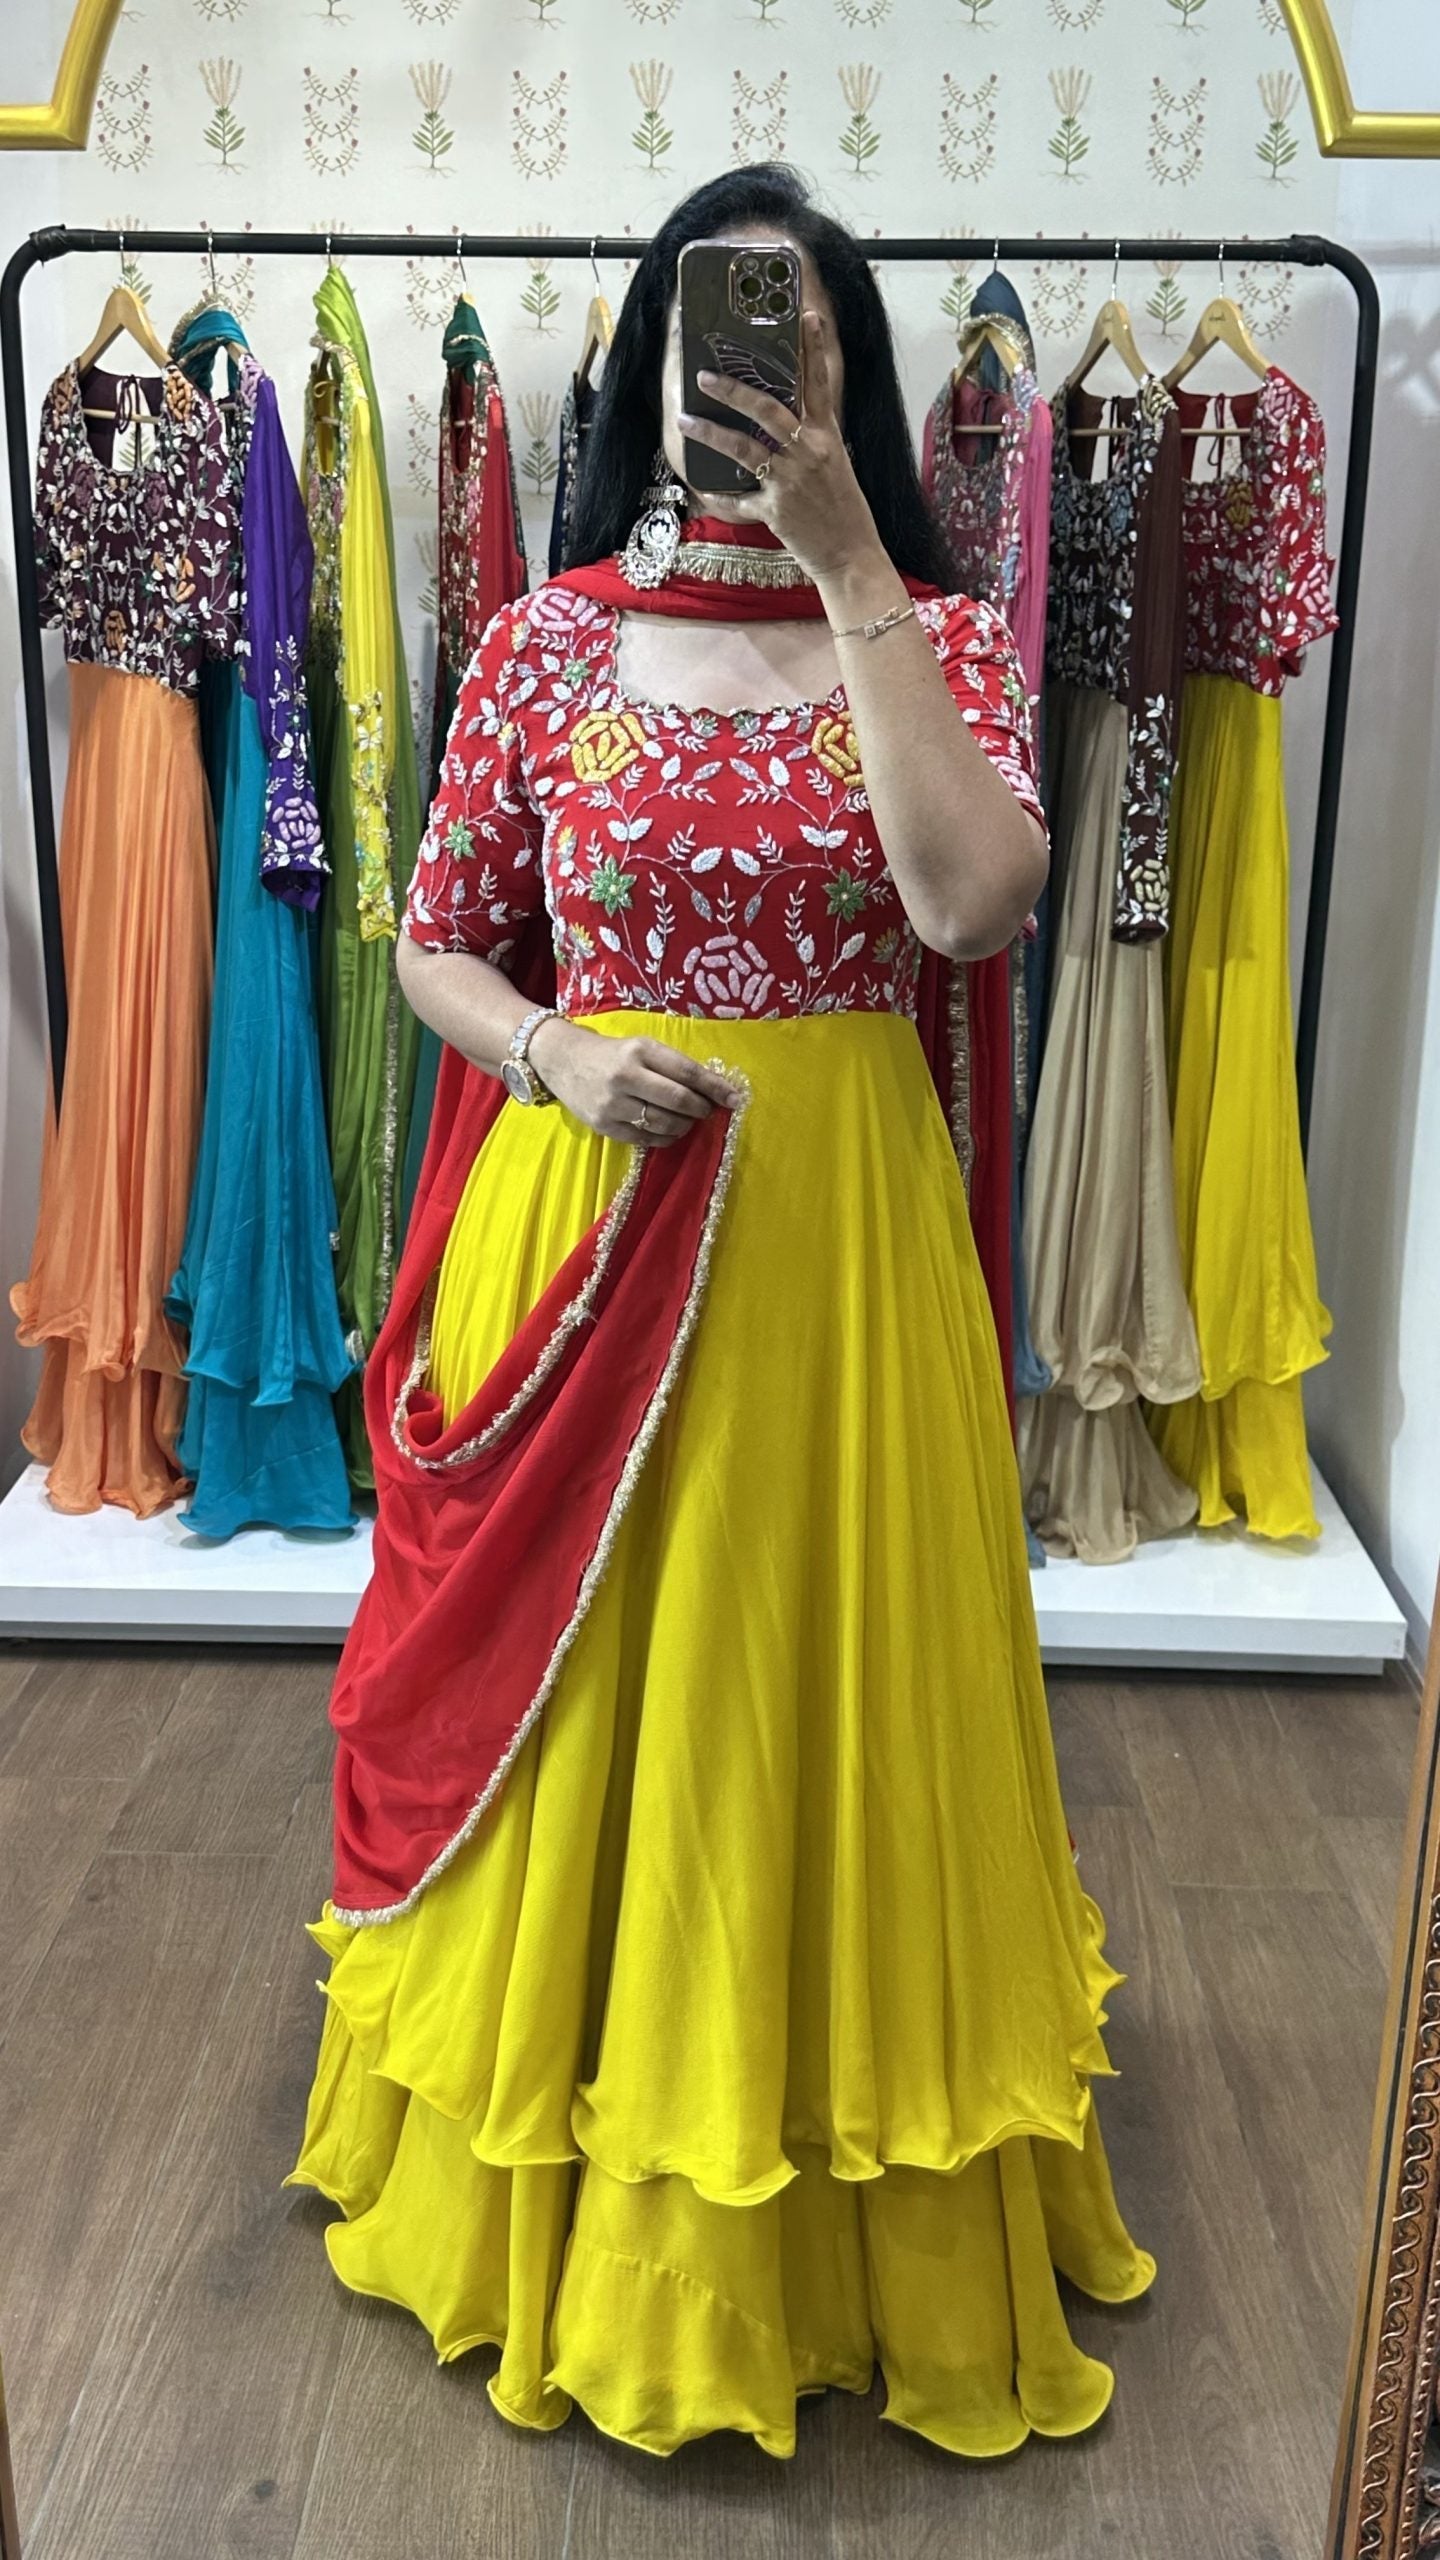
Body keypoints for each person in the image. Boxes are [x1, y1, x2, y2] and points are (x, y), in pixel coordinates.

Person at [285, 163, 1155, 2463]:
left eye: (786, 326)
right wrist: (554, 1050)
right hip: (593, 1231)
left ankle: (821, 2192)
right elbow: (434, 938)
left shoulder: (944, 638)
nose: (745, 363)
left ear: (844, 359)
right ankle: (586, 2164)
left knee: (813, 1697)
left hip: (838, 1267)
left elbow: (973, 909)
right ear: (653, 372)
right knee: (599, 1725)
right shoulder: (543, 640)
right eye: (706, 326)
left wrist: (859, 566)